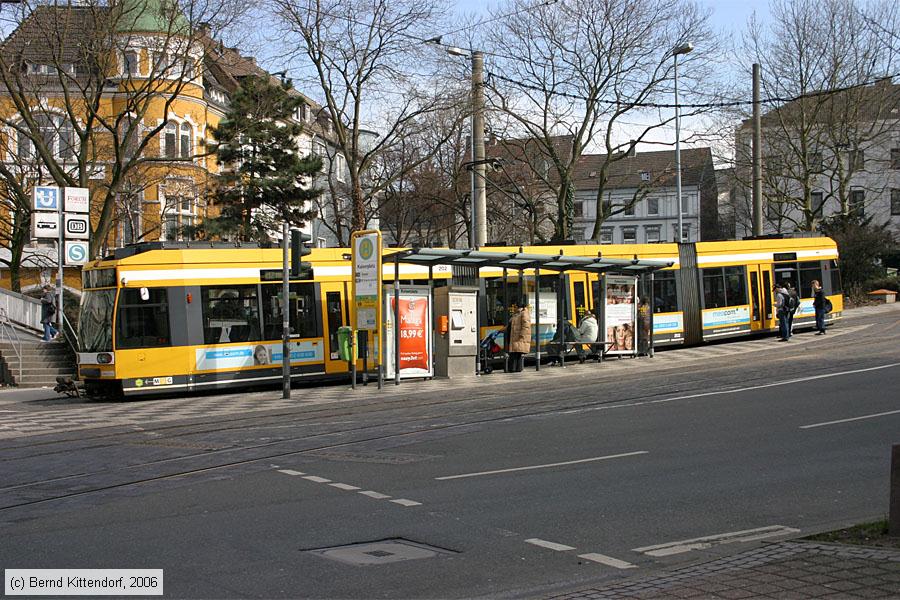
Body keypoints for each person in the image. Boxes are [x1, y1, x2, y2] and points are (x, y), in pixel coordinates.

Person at [507, 300, 531, 373]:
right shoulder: (517, 314)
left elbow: (526, 325)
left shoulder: (523, 314)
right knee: (516, 353)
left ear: (518, 307)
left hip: (518, 337)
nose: (513, 308)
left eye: (514, 306)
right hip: (514, 336)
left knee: (516, 353)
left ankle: (514, 369)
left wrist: (522, 335)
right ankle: (516, 369)